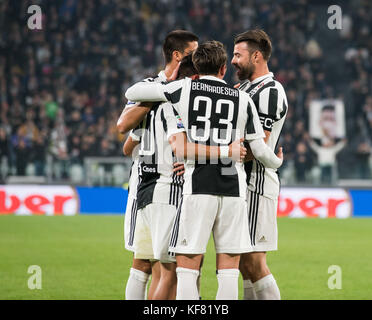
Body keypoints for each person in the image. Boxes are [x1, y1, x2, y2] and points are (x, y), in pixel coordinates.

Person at [125, 40, 283, 300]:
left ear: (197, 65)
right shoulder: (242, 98)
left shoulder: (183, 89)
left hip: (197, 188)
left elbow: (133, 92)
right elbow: (261, 150)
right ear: (223, 69)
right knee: (229, 271)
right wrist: (277, 161)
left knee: (188, 269)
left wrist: (164, 83)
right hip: (234, 191)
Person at [118, 30, 199, 300]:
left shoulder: (189, 89)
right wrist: (161, 96)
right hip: (155, 184)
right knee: (161, 264)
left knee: (157, 264)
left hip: (157, 184)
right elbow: (123, 130)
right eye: (193, 52)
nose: (198, 57)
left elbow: (129, 144)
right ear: (178, 55)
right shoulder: (150, 88)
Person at [231, 29, 288, 300]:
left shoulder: (270, 91)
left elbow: (257, 147)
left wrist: (216, 154)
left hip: (257, 183)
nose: (232, 60)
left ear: (256, 56)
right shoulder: (242, 88)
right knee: (243, 262)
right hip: (239, 182)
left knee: (254, 260)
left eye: (237, 55)